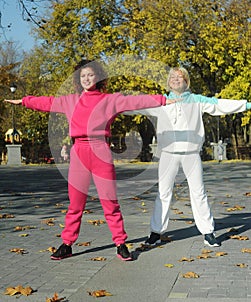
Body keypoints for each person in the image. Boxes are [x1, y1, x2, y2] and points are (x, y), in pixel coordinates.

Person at [5, 59, 175, 261]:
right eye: (82, 75)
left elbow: (135, 101)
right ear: (78, 79)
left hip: (100, 150)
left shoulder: (109, 100)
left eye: (90, 75)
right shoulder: (70, 100)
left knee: (109, 202)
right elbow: (47, 102)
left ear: (99, 77)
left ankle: (120, 243)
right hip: (79, 152)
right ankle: (67, 244)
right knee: (75, 204)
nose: (86, 78)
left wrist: (162, 100)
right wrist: (24, 101)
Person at [127, 67, 251, 247]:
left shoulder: (196, 101)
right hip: (168, 154)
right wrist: (110, 106)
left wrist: (246, 105)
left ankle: (208, 232)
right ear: (168, 81)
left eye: (180, 77)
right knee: (163, 193)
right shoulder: (160, 102)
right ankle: (156, 232)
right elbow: (134, 106)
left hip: (191, 154)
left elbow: (220, 105)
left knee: (199, 192)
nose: (176, 79)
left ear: (186, 81)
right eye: (172, 77)